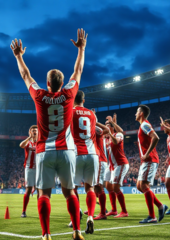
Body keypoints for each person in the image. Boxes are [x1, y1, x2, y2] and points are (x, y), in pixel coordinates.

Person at [10, 28, 87, 240]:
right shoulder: (70, 93)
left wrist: (18, 56)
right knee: (70, 192)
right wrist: (81, 49)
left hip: (44, 151)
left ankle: (46, 235)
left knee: (44, 194)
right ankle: (76, 231)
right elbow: (78, 70)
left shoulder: (39, 96)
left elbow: (26, 75)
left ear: (47, 83)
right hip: (66, 150)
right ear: (62, 84)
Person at [71, 90, 99, 234]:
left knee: (72, 189)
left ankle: (76, 216)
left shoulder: (70, 112)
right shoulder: (92, 114)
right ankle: (90, 217)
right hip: (92, 154)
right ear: (84, 100)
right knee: (90, 188)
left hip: (75, 154)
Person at [135, 105, 168, 223]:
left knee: (144, 186)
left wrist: (147, 153)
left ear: (141, 114)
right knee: (139, 186)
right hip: (146, 160)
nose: (135, 114)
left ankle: (152, 216)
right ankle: (160, 206)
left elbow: (156, 137)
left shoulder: (144, 124)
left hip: (149, 159)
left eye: (137, 112)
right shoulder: (142, 126)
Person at [106, 114, 129, 218]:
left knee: (115, 187)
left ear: (111, 127)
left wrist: (111, 131)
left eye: (107, 125)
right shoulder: (107, 139)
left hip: (121, 164)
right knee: (109, 186)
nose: (106, 127)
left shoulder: (117, 135)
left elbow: (116, 142)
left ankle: (124, 211)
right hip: (113, 166)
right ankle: (114, 210)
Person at [19, 125, 38, 218]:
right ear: (30, 132)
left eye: (36, 130)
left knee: (41, 190)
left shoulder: (41, 143)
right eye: (33, 130)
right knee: (28, 189)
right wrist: (29, 137)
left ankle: (41, 211)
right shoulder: (28, 143)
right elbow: (21, 145)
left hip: (39, 169)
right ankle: (23, 211)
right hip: (29, 168)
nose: (34, 132)